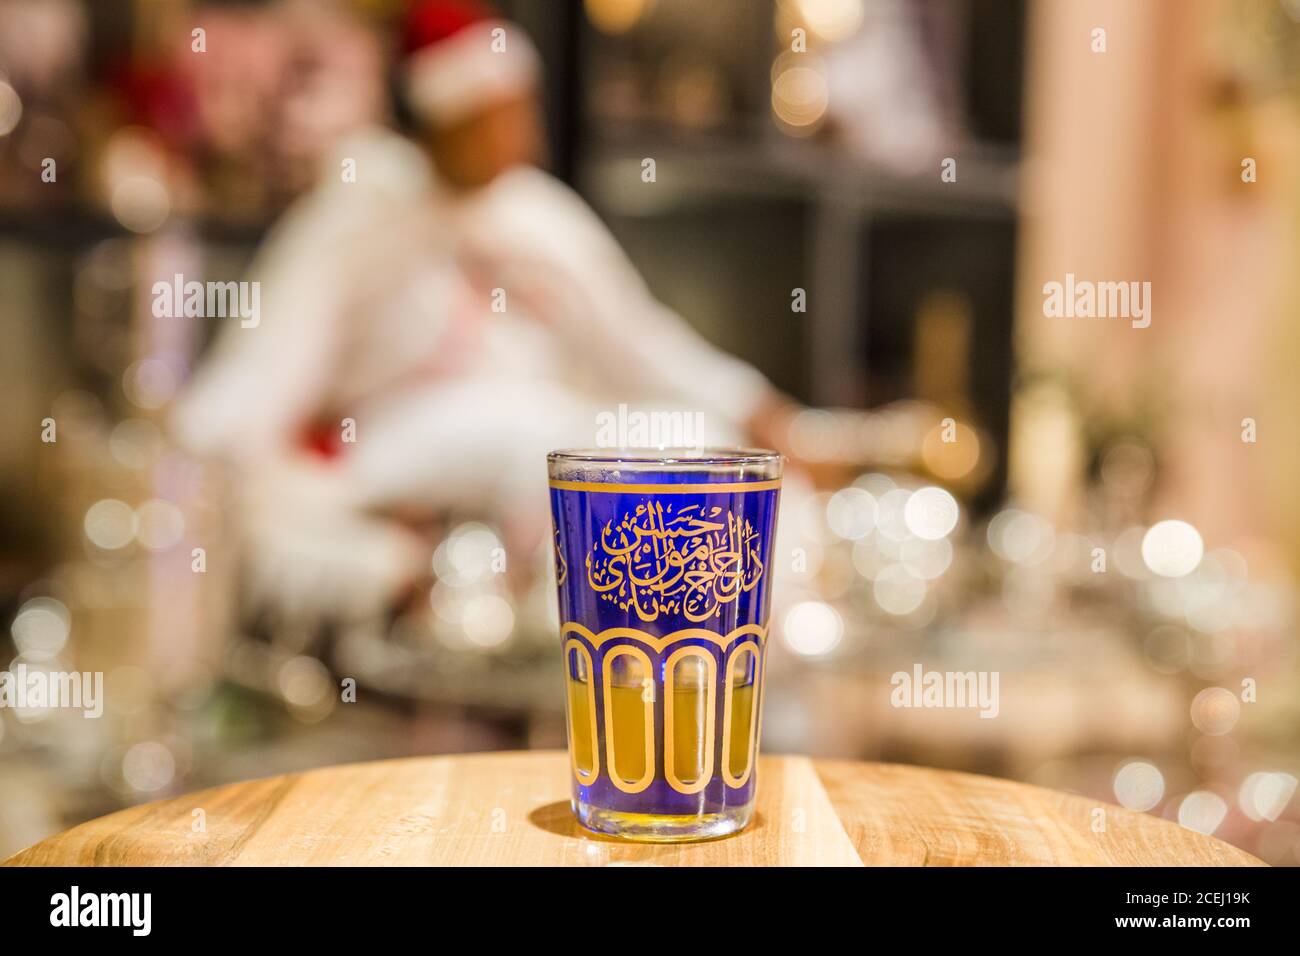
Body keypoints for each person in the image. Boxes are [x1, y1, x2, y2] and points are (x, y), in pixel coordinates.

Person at [173, 0, 797, 629]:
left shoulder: (534, 213)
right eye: (498, 117)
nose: (522, 136)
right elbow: (260, 378)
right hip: (391, 454)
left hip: (545, 445)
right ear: (445, 119)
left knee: (694, 449)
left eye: (522, 111)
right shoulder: (361, 213)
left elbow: (637, 341)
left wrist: (753, 405)